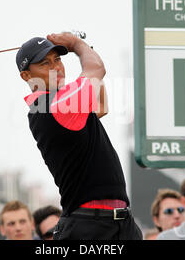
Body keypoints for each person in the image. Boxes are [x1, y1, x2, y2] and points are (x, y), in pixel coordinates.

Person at [17, 32, 142, 240]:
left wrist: (87, 49)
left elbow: (101, 105)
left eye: (57, 59)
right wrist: (76, 44)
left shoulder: (59, 102)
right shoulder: (52, 104)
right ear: (27, 76)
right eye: (45, 64)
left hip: (119, 224)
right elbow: (96, 69)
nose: (56, 67)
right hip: (89, 226)